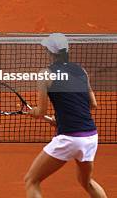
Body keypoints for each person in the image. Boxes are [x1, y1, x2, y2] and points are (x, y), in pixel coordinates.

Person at [24, 33, 106, 198]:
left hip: (69, 138)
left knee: (31, 180)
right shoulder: (81, 71)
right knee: (87, 182)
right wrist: (60, 119)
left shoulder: (45, 74)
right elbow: (93, 104)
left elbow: (41, 112)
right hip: (90, 137)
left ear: (49, 52)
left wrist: (34, 112)